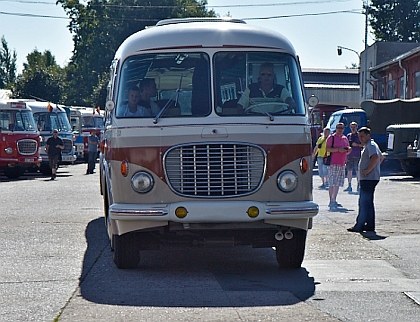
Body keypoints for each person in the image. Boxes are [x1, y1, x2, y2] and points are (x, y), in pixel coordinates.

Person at [348, 127, 384, 232]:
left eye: (362, 136)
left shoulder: (371, 145)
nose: (361, 138)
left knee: (363, 202)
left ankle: (359, 225)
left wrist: (369, 170)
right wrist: (374, 168)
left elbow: (376, 157)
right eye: (359, 137)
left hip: (368, 179)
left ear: (368, 135)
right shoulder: (370, 145)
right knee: (368, 202)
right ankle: (369, 225)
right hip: (369, 178)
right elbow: (381, 158)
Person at [326, 122, 351, 210]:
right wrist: (338, 150)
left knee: (338, 182)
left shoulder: (345, 138)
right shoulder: (331, 137)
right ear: (336, 128)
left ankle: (334, 200)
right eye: (338, 128)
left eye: (341, 128)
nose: (340, 129)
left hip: (342, 163)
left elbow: (347, 148)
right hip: (333, 162)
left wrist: (348, 150)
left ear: (344, 129)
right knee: (332, 182)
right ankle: (331, 200)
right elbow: (327, 148)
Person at [344, 121, 362, 193]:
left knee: (358, 171)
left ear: (357, 127)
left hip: (357, 155)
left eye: (354, 127)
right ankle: (349, 185)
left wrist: (356, 145)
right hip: (349, 155)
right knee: (349, 170)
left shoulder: (359, 136)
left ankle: (358, 185)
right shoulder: (348, 136)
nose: (353, 128)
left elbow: (363, 145)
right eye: (352, 127)